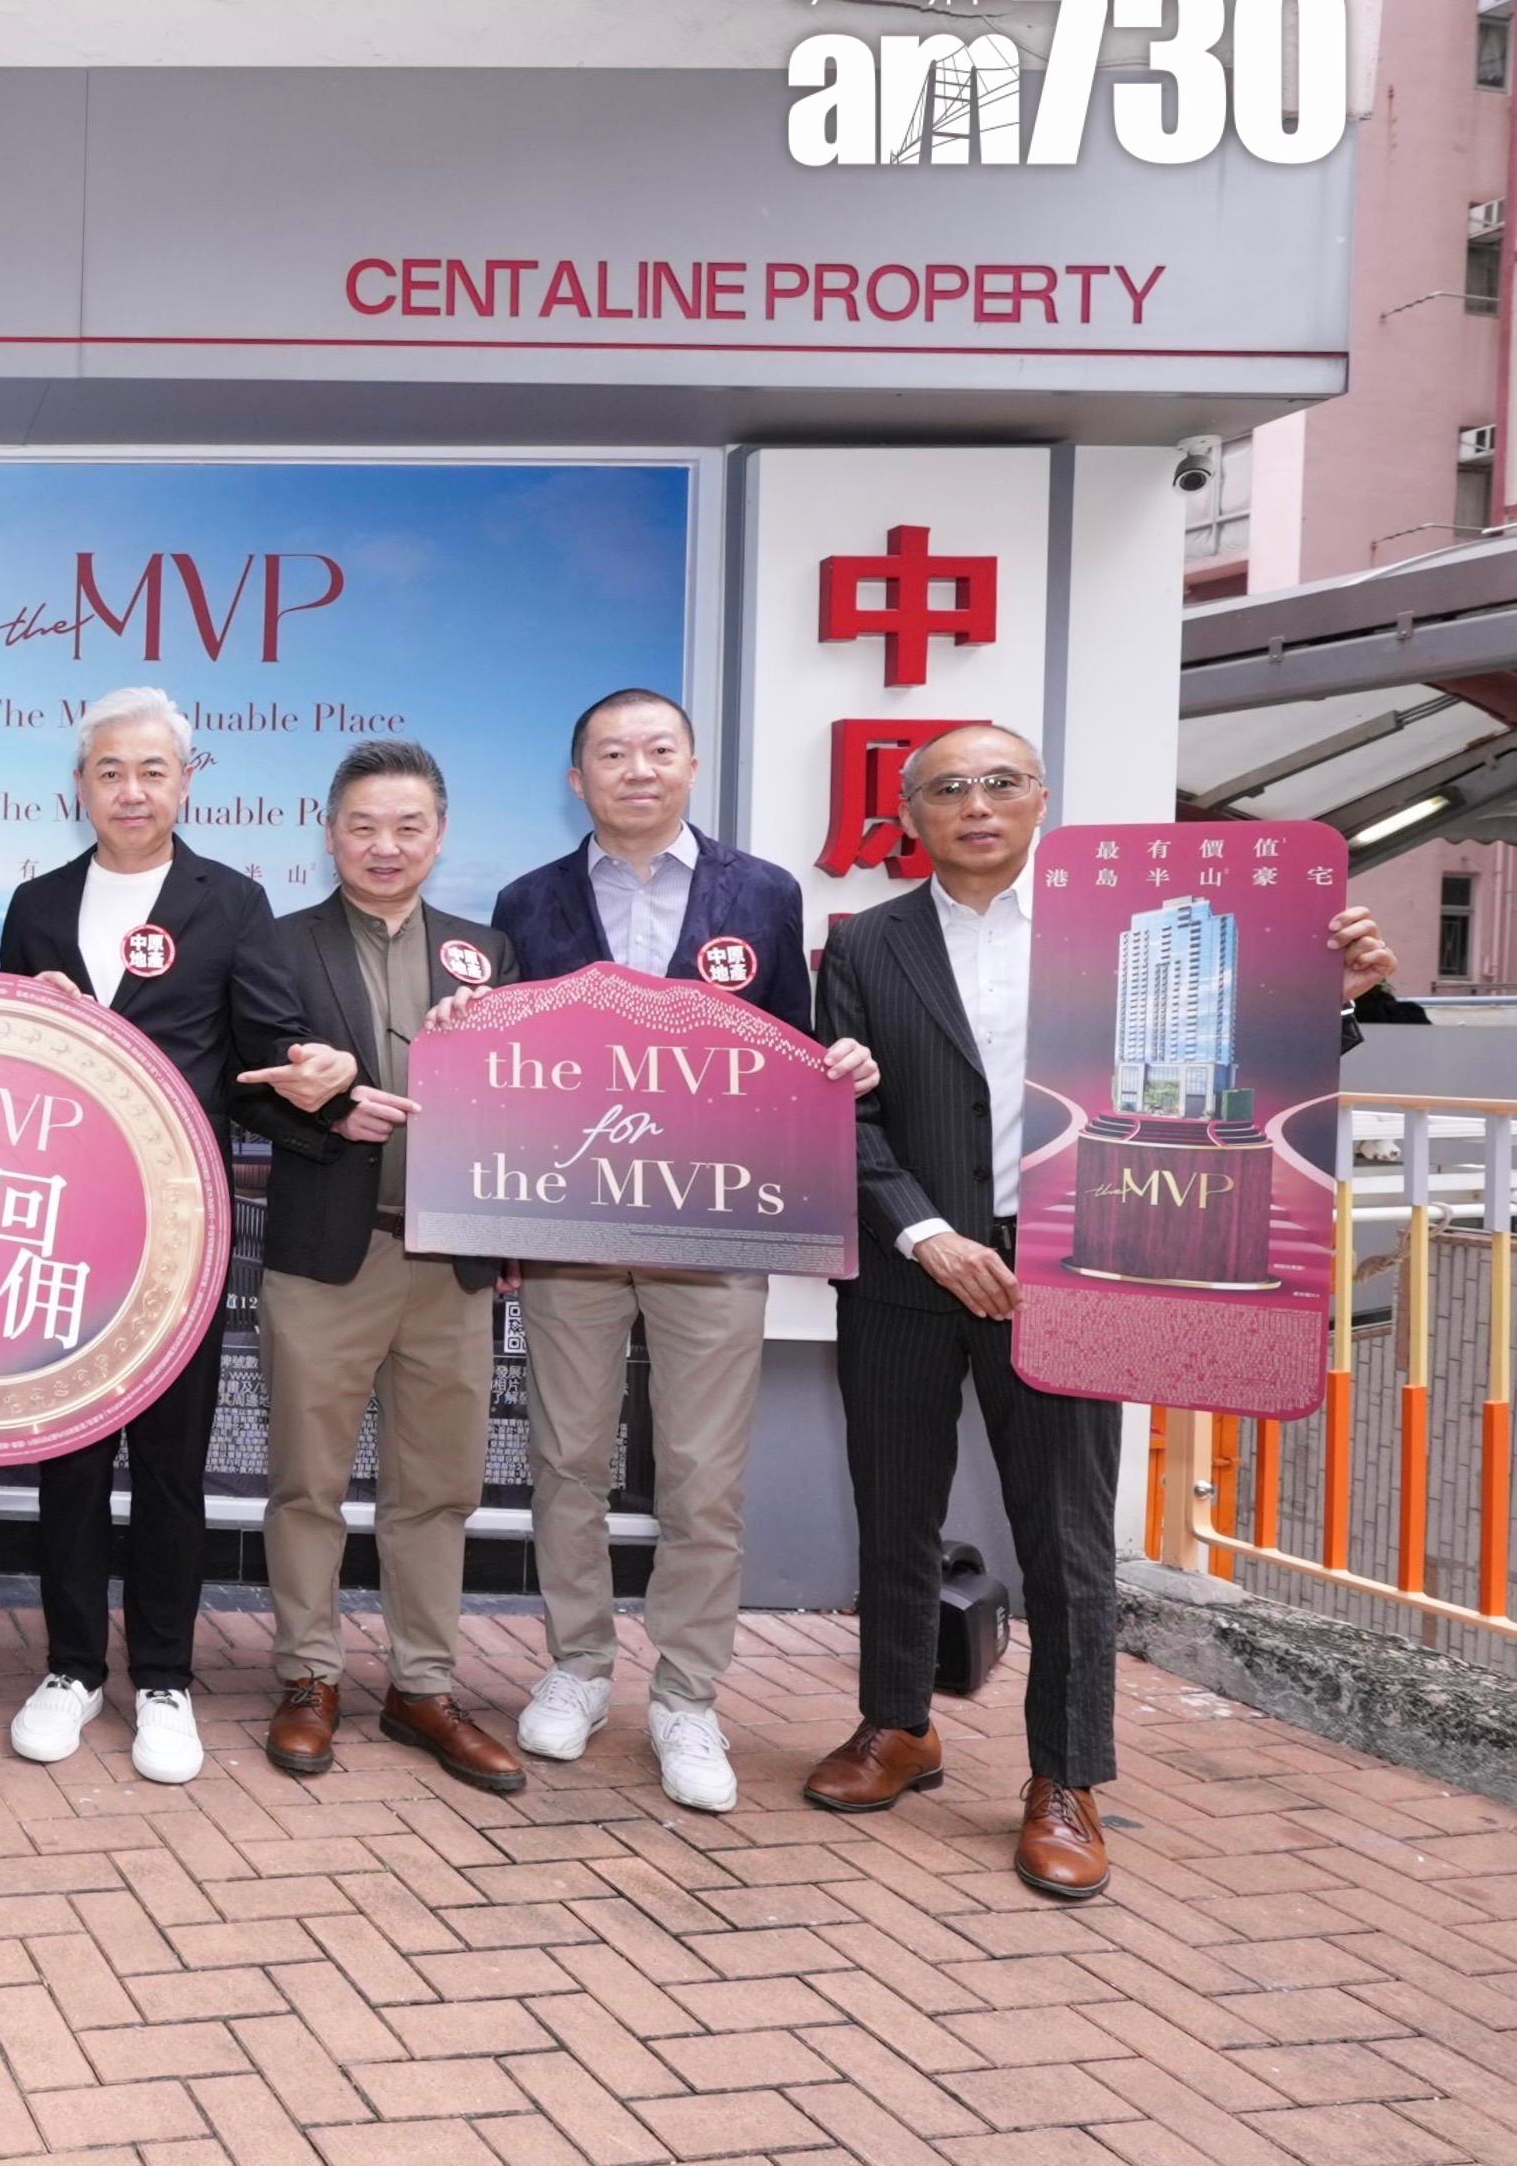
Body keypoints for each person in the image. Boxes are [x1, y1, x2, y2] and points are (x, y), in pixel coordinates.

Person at [810, 721, 1393, 1900]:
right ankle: (897, 1721)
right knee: (893, 1507)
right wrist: (926, 1233)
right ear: (908, 816)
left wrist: (1329, 1001)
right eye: (947, 788)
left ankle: (1065, 1776)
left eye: (1001, 781)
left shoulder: (1116, 929)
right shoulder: (864, 941)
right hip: (907, 1265)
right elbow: (843, 1111)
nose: (976, 804)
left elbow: (1231, 1045)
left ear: (1040, 798)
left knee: (1067, 1533)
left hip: (1076, 1263)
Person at [487, 688, 875, 1812]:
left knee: (704, 1473)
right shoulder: (526, 900)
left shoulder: (763, 892)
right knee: (566, 1456)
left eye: (659, 749)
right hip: (570, 1224)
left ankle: (688, 1695)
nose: (638, 768)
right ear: (577, 778)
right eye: (612, 753)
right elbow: (512, 1069)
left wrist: (836, 1070)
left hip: (714, 1223)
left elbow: (789, 1048)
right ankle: (576, 1663)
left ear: (692, 765)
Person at [0, 688, 357, 1785]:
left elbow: (264, 1056)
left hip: (178, 1231)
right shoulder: (37, 903)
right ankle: (70, 1666)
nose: (131, 789)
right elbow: (6, 1069)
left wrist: (323, 1081)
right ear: (80, 785)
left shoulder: (232, 901)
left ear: (187, 781)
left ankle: (162, 1676)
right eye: (109, 770)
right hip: (60, 1224)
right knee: (66, 1453)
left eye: (152, 770)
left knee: (168, 1464)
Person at [242, 739, 526, 1795]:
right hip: (329, 1255)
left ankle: (423, 1686)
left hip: (450, 1261)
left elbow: (524, 1101)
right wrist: (325, 1110)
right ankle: (308, 1675)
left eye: (408, 826)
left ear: (439, 835)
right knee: (306, 1482)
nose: (385, 845)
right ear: (329, 833)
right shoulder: (279, 945)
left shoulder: (487, 952)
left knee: (437, 1488)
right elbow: (244, 1086)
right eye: (363, 825)